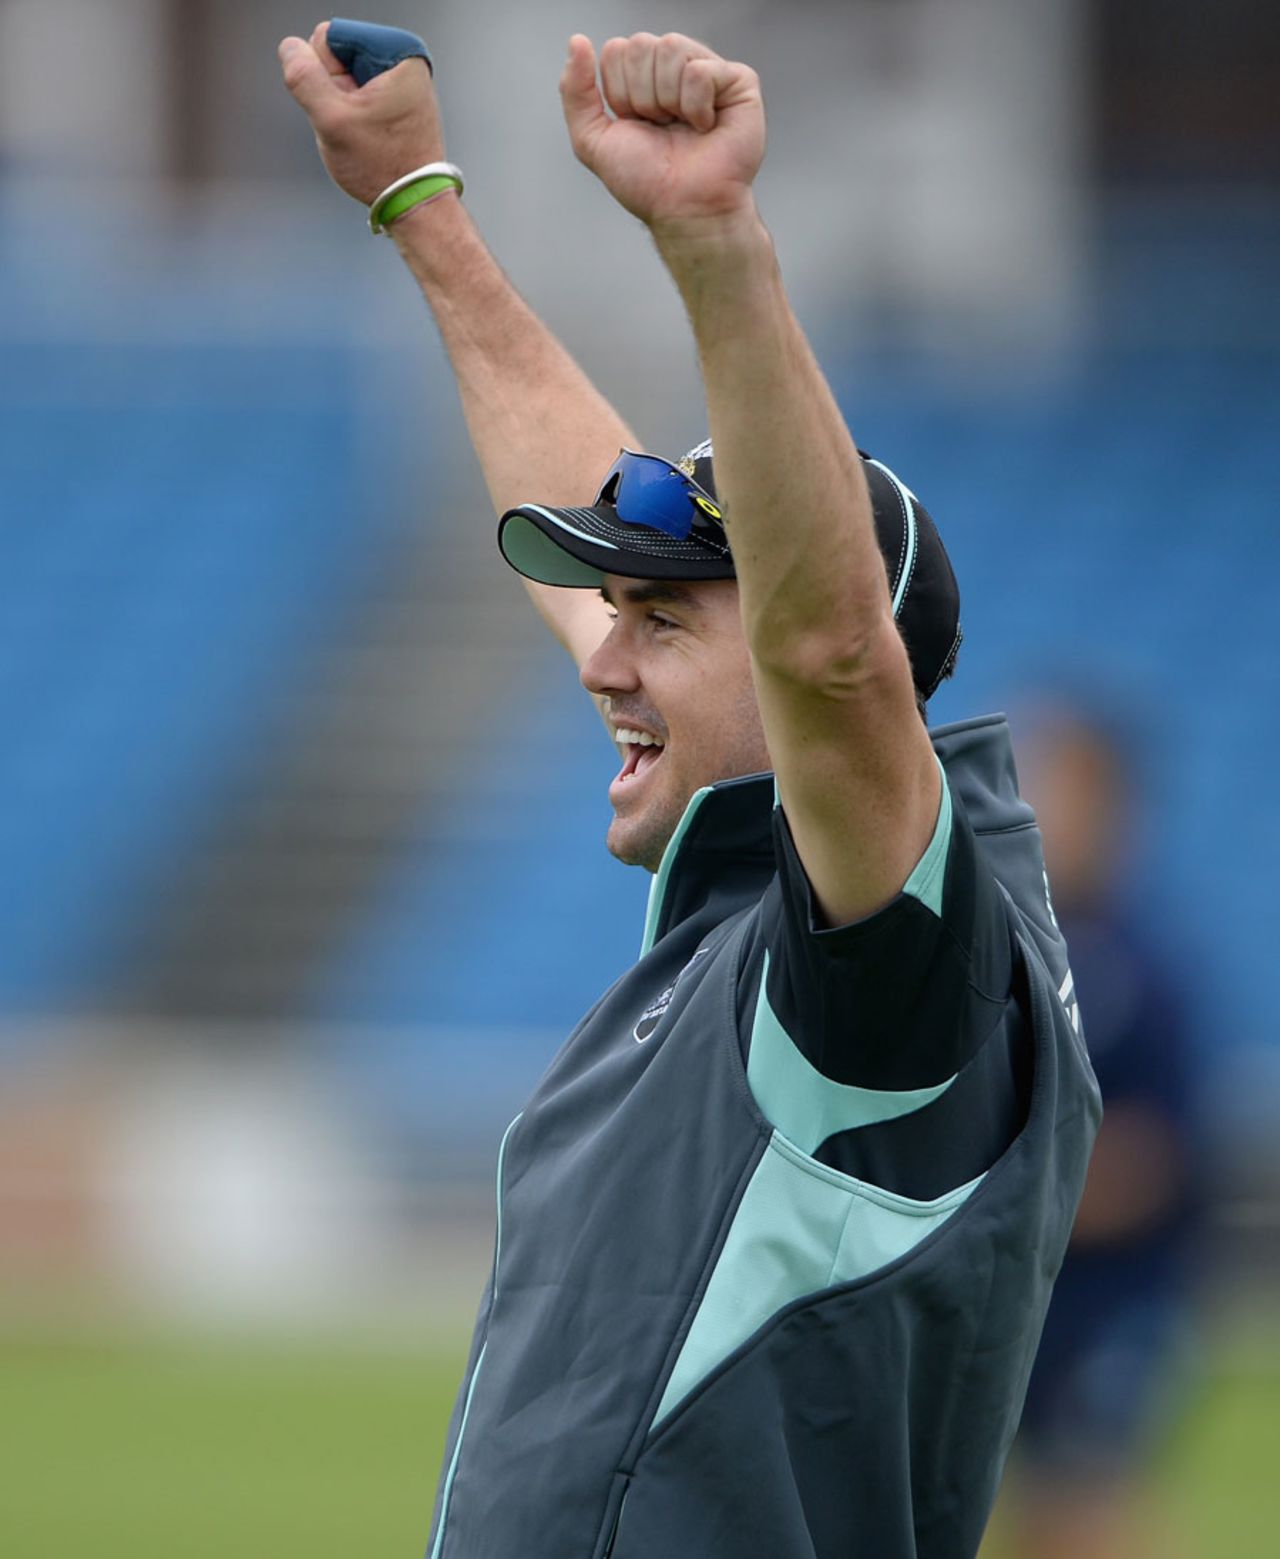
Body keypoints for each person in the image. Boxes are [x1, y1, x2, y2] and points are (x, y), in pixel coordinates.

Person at [278, 22, 1100, 1558]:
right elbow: (624, 529)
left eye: (661, 623)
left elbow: (830, 654)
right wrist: (418, 201)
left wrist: (715, 240)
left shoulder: (891, 975)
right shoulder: (778, 909)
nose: (603, 660)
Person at [990, 703, 1202, 1559]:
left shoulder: (1144, 970)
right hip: (1016, 1300)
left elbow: (1156, 1159)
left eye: (1062, 785)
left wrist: (1012, 1196)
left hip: (1107, 1302)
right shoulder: (1004, 947)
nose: (1038, 805)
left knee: (1082, 1510)